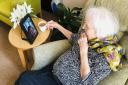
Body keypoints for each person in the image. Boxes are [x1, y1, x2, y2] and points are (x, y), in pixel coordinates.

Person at [15, 7, 124, 85]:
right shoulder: (88, 36)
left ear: (99, 32)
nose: (83, 27)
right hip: (53, 70)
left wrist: (83, 52)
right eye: (84, 23)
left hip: (61, 82)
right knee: (26, 76)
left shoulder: (107, 58)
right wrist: (58, 26)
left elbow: (87, 80)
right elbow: (73, 37)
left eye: (87, 26)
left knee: (24, 79)